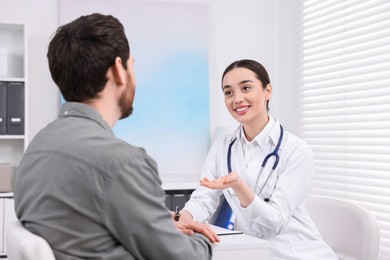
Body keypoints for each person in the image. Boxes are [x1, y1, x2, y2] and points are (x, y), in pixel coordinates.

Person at [12, 13, 218, 260]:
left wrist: (160, 229)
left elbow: (84, 230)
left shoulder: (36, 149)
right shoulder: (122, 163)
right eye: (133, 64)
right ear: (119, 69)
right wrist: (202, 240)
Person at [178, 59, 338, 259]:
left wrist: (239, 187)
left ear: (267, 91)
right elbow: (204, 198)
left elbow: (275, 221)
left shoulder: (296, 150)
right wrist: (184, 217)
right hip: (253, 253)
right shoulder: (223, 146)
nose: (237, 99)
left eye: (246, 88)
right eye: (228, 92)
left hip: (298, 254)